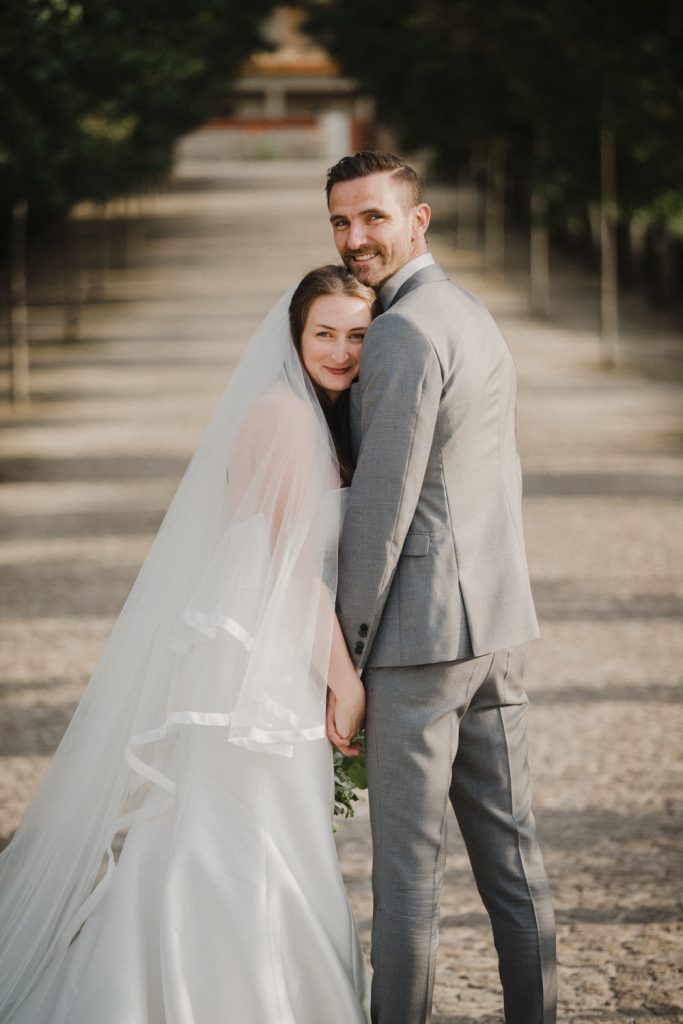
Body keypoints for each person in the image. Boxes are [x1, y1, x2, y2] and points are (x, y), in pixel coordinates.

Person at [0, 265, 376, 1024]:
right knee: (241, 834)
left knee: (247, 831)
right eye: (324, 334)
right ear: (295, 335)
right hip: (255, 656)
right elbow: (290, 571)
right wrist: (346, 683)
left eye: (358, 336)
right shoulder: (285, 417)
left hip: (271, 647)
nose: (340, 352)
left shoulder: (315, 413)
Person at [325, 151, 557, 1024]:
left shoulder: (400, 331)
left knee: (406, 877)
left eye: (373, 218)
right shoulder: (468, 311)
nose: (354, 238)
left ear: (416, 220)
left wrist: (345, 659)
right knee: (513, 860)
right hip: (492, 623)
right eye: (340, 222)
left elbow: (381, 509)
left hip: (419, 641)